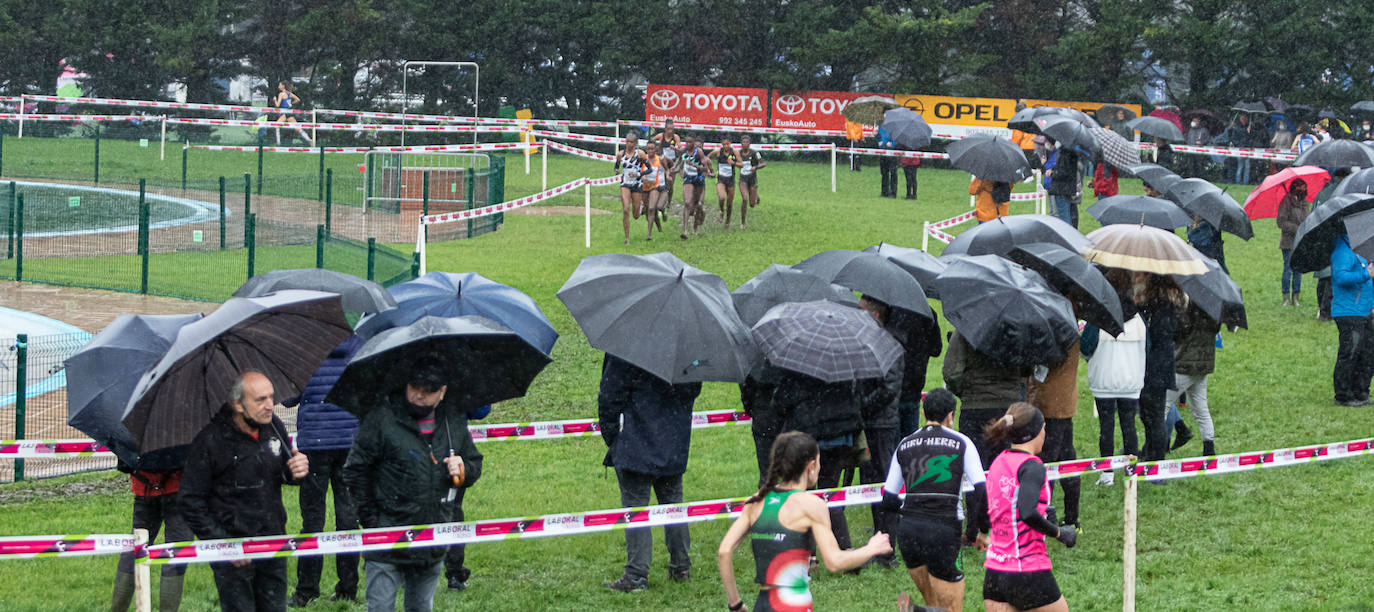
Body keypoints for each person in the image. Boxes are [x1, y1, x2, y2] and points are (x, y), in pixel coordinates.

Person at [342, 367, 483, 612]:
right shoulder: (380, 419)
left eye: (428, 391)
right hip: (386, 538)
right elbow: (355, 471)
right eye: (414, 388)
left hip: (431, 538)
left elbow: (474, 463)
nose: (419, 396)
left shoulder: (453, 422)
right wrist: (372, 520)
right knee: (380, 608)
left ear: (443, 392)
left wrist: (463, 470)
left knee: (420, 607)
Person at [717, 432, 893, 612]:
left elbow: (724, 551)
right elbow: (834, 562)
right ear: (811, 466)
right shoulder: (812, 505)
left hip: (763, 605)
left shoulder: (756, 501)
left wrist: (735, 604)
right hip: (794, 605)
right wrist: (871, 548)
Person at [180, 371, 310, 612]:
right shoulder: (210, 440)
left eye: (271, 397)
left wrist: (296, 471)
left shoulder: (274, 427)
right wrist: (222, 542)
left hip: (272, 541)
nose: (270, 405)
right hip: (233, 551)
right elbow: (189, 500)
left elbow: (282, 470)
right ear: (238, 404)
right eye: (260, 400)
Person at [598, 353, 702, 592]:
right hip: (673, 440)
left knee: (636, 511)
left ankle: (636, 575)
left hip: (635, 442)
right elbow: (693, 389)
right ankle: (680, 566)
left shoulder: (626, 347)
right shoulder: (686, 348)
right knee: (673, 505)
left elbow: (609, 396)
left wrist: (613, 438)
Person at [881, 388, 987, 612]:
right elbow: (980, 489)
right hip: (944, 530)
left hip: (910, 532)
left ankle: (920, 611)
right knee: (951, 609)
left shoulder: (905, 443)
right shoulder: (962, 442)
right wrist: (980, 529)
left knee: (933, 604)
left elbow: (888, 498)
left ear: (923, 410)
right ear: (951, 415)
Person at [287, 336, 363, 607]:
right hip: (350, 442)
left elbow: (288, 399)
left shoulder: (306, 347)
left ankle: (306, 590)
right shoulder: (359, 346)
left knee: (312, 520)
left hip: (314, 444)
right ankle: (348, 589)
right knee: (348, 519)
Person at [980, 403, 1077, 612]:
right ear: (1035, 432)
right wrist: (1060, 532)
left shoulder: (998, 461)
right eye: (1043, 428)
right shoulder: (1032, 467)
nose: (1045, 432)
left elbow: (1001, 505)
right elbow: (1026, 512)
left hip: (995, 574)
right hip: (1026, 569)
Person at [857, 295, 904, 570]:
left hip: (882, 425)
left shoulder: (890, 346)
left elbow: (888, 389)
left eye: (862, 310)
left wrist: (861, 405)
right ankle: (878, 537)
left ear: (875, 315)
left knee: (884, 482)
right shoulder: (866, 342)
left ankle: (888, 549)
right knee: (869, 481)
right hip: (869, 423)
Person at [111, 462, 192, 612]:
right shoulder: (182, 437)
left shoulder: (139, 437)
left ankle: (117, 609)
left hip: (145, 487)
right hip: (178, 488)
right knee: (176, 552)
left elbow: (125, 461)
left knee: (134, 550)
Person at [1080, 302, 1145, 486]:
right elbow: (1147, 348)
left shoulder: (1097, 318)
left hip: (1104, 379)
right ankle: (1131, 471)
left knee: (1106, 428)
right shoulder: (1139, 319)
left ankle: (1107, 473)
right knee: (1129, 426)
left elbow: (1085, 347)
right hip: (1131, 380)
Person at [942, 331, 1028, 469]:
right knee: (1005, 471)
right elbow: (1027, 367)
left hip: (974, 408)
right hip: (1008, 408)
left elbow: (951, 373)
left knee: (974, 469)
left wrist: (965, 393)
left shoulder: (966, 330)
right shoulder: (1017, 329)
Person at [1026, 332, 1081, 529]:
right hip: (1063, 403)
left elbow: (1047, 362)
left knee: (1047, 462)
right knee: (1067, 459)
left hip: (1048, 403)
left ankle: (1044, 513)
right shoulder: (1069, 328)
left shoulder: (1055, 332)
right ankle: (1071, 517)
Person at [1135, 273, 1184, 462]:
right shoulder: (1167, 304)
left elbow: (1154, 335)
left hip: (1154, 367)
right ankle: (1150, 451)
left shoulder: (1159, 306)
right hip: (1161, 366)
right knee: (1149, 415)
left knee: (1153, 416)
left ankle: (1157, 458)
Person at [1167, 302, 1221, 456]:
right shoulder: (1214, 314)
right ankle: (1209, 448)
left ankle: (1155, 447)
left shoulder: (1187, 313)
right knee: (1201, 410)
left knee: (1162, 406)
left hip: (1184, 366)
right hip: (1202, 367)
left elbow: (1176, 333)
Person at [1330, 232, 1374, 406]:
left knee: (1368, 352)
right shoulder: (1343, 251)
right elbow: (1341, 277)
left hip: (1364, 311)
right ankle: (1343, 395)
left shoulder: (1362, 249)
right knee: (1350, 352)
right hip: (1348, 312)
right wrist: (1366, 274)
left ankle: (1361, 391)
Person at [1277, 180, 1311, 306]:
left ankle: (1296, 297)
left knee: (1298, 270)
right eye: (1302, 187)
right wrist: (1297, 229)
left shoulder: (1305, 203)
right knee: (1288, 269)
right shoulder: (1286, 201)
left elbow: (1307, 220)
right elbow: (1281, 222)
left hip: (1300, 242)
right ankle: (1286, 297)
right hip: (1288, 242)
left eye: (1305, 187)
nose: (1304, 190)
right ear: (1295, 188)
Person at [613, 132, 649, 246]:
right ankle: (627, 238)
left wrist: (642, 174)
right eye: (627, 141)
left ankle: (642, 207)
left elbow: (650, 168)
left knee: (636, 215)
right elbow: (616, 166)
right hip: (625, 184)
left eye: (632, 142)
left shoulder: (640, 154)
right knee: (625, 209)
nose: (629, 144)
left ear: (636, 143)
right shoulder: (620, 154)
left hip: (637, 185)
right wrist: (616, 171)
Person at [677, 135, 711, 240]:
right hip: (688, 179)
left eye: (690, 142)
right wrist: (677, 171)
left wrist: (694, 165)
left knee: (698, 205)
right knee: (687, 203)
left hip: (699, 180)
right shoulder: (684, 151)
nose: (688, 144)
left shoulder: (699, 153)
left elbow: (705, 168)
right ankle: (685, 231)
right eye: (686, 142)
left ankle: (695, 228)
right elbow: (679, 163)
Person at [709, 137, 742, 225]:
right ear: (721, 144)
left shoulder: (734, 152)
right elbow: (707, 158)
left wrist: (734, 163)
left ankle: (728, 220)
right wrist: (709, 169)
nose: (726, 146)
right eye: (724, 144)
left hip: (730, 180)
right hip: (721, 179)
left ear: (730, 143)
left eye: (727, 144)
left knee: (729, 203)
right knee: (722, 197)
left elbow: (741, 164)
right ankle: (721, 211)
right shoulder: (718, 152)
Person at [1047, 141, 1080, 228]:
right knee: (1066, 215)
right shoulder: (1072, 151)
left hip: (1062, 188)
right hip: (1067, 188)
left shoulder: (1065, 151)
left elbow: (1063, 171)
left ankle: (1067, 237)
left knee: (1064, 218)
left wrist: (1053, 174)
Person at [650, 119, 682, 210]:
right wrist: (656, 149)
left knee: (670, 184)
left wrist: (675, 148)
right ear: (665, 129)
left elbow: (681, 150)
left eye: (672, 129)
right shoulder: (661, 136)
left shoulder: (675, 137)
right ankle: (660, 201)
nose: (670, 131)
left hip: (672, 162)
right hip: (662, 162)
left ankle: (669, 202)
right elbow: (651, 143)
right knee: (661, 182)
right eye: (668, 129)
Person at [737, 135, 766, 228]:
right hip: (743, 179)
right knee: (745, 199)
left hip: (752, 178)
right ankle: (743, 222)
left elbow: (763, 163)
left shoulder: (754, 153)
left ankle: (755, 193)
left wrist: (756, 167)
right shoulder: (738, 153)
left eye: (747, 142)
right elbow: (730, 160)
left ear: (749, 144)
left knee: (752, 204)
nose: (745, 144)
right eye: (743, 142)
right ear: (741, 143)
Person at [272, 81, 312, 146]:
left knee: (276, 125)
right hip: (290, 112)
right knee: (297, 128)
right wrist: (291, 103)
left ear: (283, 86)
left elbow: (277, 105)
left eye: (279, 85)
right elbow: (298, 99)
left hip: (285, 113)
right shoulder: (289, 93)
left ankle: (278, 143)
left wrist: (274, 100)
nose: (278, 87)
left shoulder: (281, 94)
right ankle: (308, 139)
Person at [640, 141, 666, 241]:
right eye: (648, 149)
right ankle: (659, 227)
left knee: (651, 208)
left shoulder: (660, 159)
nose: (650, 151)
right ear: (646, 150)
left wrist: (668, 174)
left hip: (655, 186)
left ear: (656, 149)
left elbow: (668, 169)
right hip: (644, 187)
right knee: (649, 210)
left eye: (652, 149)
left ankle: (649, 235)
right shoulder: (642, 159)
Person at [1226, 115, 1252, 185]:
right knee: (1240, 167)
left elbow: (1250, 139)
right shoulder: (1237, 128)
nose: (1244, 120)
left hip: (1248, 149)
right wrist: (1240, 145)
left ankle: (1245, 183)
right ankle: (1238, 182)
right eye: (1242, 118)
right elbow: (1234, 139)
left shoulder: (1249, 127)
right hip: (1240, 149)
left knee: (1247, 168)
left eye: (1245, 118)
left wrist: (1249, 132)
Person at [878, 123, 899, 198]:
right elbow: (879, 138)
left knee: (893, 173)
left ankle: (893, 193)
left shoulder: (894, 126)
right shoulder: (880, 126)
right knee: (884, 173)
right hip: (883, 152)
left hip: (892, 153)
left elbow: (897, 139)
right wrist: (875, 136)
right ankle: (884, 192)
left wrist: (893, 144)